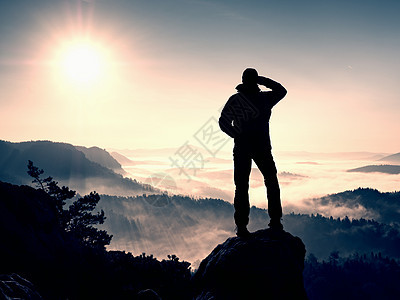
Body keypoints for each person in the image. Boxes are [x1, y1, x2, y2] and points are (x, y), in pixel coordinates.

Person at [219, 68, 287, 237]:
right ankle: (275, 222)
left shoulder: (237, 99)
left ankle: (242, 226)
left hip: (243, 147)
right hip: (261, 146)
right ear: (255, 81)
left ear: (242, 81)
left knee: (242, 186)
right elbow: (281, 90)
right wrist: (263, 80)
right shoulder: (264, 98)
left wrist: (236, 134)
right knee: (270, 181)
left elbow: (223, 122)